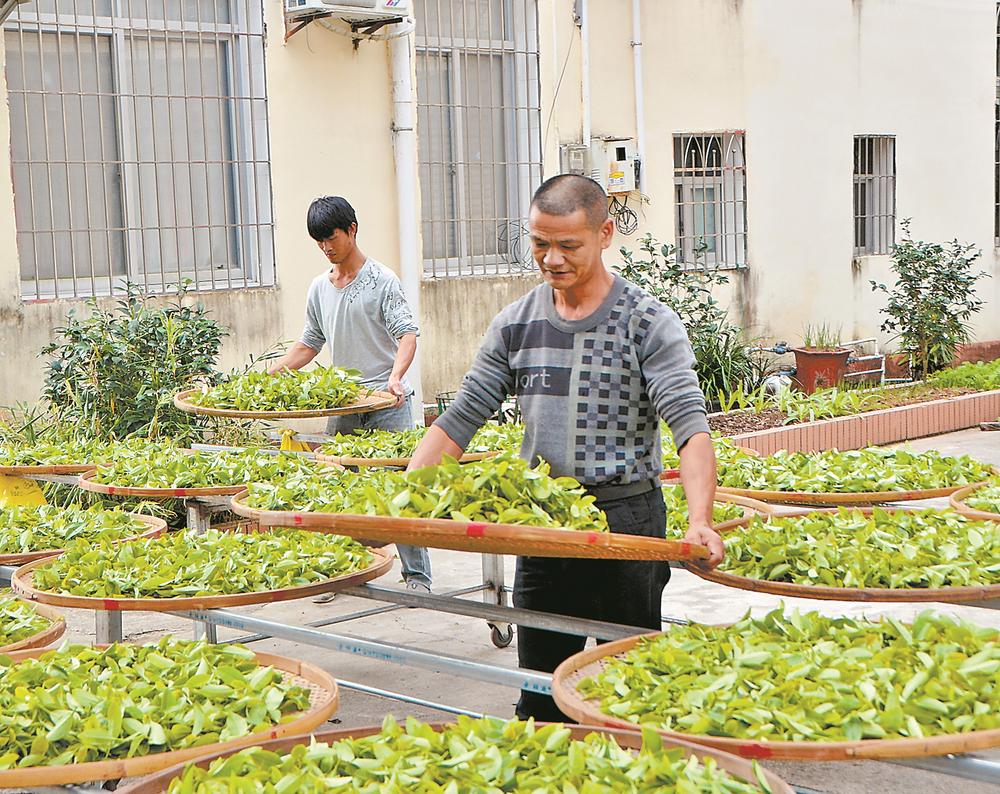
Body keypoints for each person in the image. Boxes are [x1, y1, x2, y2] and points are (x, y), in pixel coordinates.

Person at [408, 174, 723, 720]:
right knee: (541, 692)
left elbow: (689, 426)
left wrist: (701, 519)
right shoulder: (516, 325)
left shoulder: (646, 322)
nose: (551, 259)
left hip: (626, 521)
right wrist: (404, 498)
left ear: (605, 233)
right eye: (539, 243)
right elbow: (460, 418)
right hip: (545, 523)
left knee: (628, 690)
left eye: (567, 245)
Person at [268, 195, 432, 594]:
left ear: (352, 230)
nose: (326, 247)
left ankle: (418, 577)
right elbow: (309, 343)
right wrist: (268, 377)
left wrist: (396, 378)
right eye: (319, 241)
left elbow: (407, 334)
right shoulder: (319, 289)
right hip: (344, 403)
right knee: (337, 488)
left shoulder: (382, 280)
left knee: (397, 490)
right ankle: (337, 572)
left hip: (387, 403)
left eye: (332, 238)